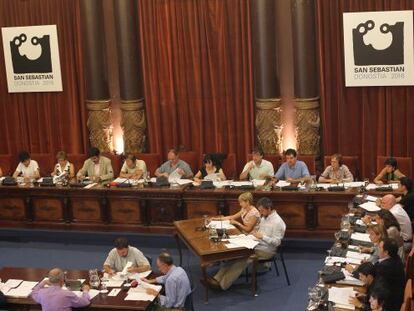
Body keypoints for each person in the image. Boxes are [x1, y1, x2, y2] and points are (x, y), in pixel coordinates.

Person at [207, 197, 286, 290]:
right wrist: (252, 236)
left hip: (267, 250)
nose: (260, 213)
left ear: (269, 208)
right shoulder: (265, 217)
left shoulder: (278, 222)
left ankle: (222, 285)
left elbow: (277, 242)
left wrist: (262, 237)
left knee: (243, 259)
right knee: (235, 254)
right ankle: (217, 279)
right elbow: (259, 232)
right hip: (257, 244)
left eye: (262, 211)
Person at [374, 238, 405, 311]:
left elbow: (374, 285)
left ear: (386, 252)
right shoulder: (395, 258)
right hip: (393, 298)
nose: (378, 248)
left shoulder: (385, 266)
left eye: (380, 247)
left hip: (388, 305)